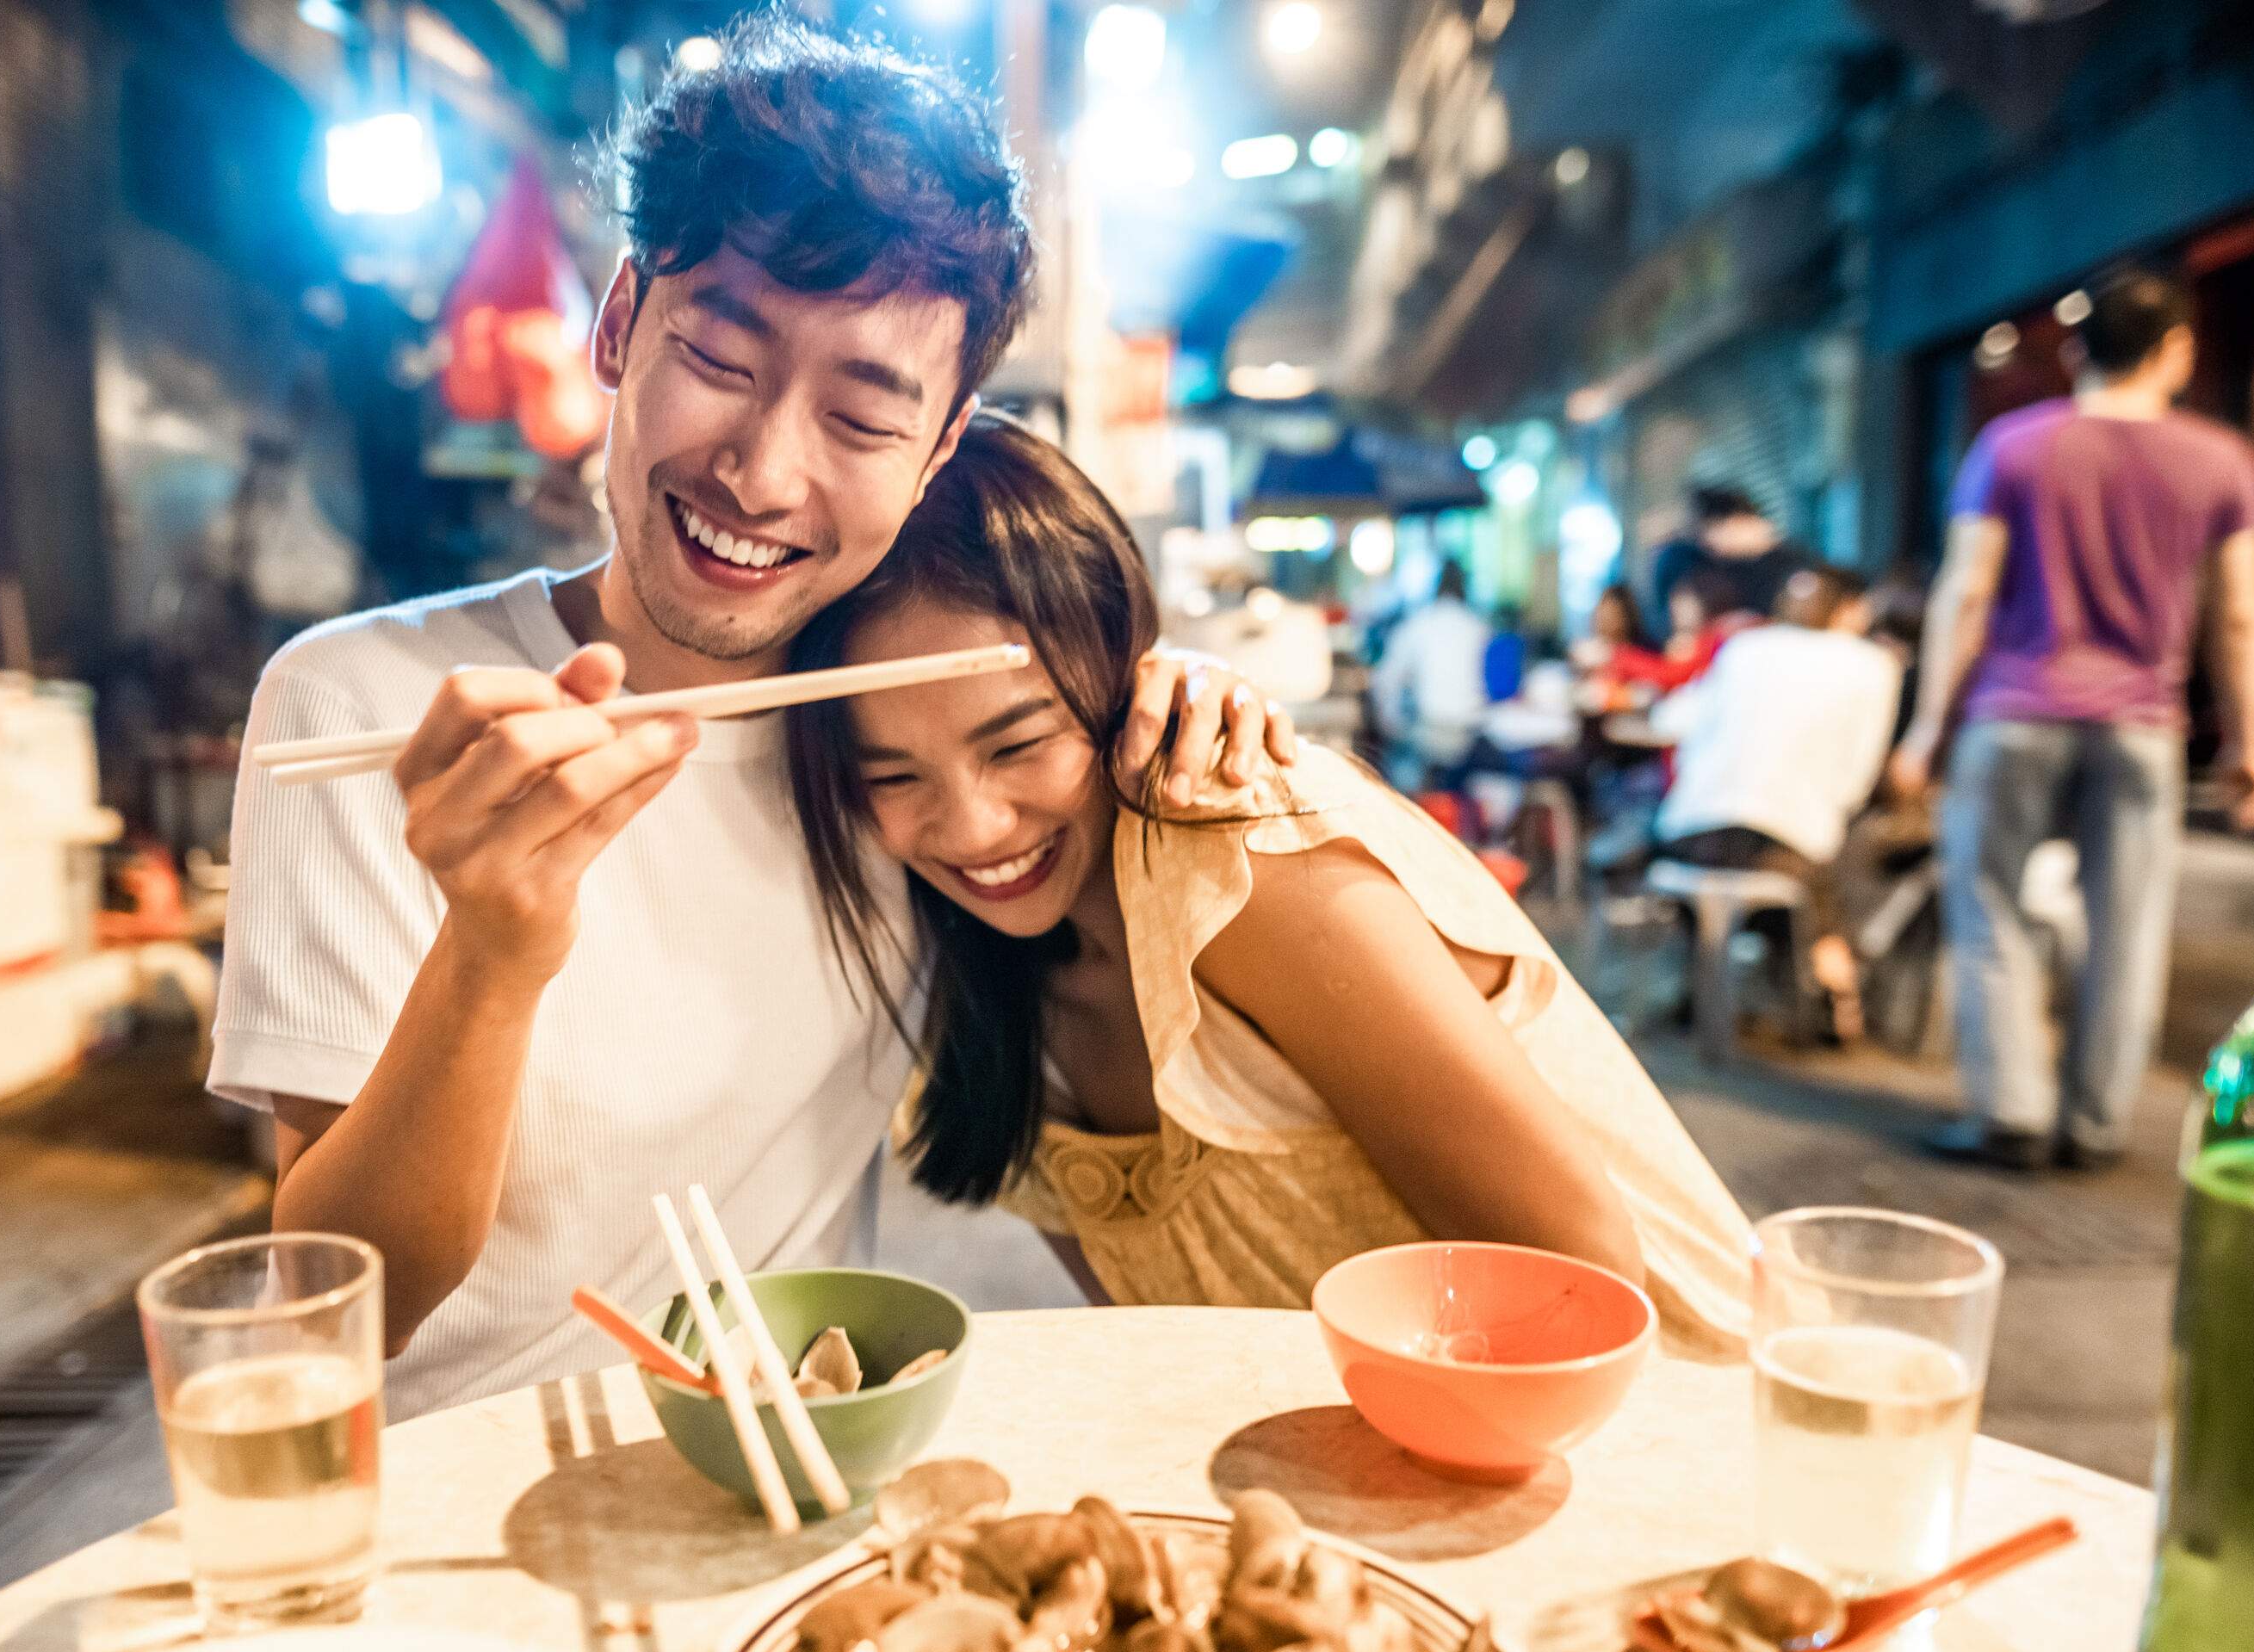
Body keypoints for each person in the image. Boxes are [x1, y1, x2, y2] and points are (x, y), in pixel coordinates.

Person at [210, 17, 1291, 1418]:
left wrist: (1178, 691)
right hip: (458, 1513)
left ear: (942, 446)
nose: (763, 474)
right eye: (720, 359)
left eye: (860, 417)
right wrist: (492, 952)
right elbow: (340, 1307)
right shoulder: (364, 707)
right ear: (618, 325)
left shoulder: (903, 739)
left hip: (792, 1478)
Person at [783, 416, 1754, 1346]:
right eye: (891, 777)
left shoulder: (1241, 859)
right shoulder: (959, 971)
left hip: (1668, 1439)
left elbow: (1578, 1282)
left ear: (1127, 676)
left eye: (1021, 744)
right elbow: (1176, 1337)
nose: (973, 828)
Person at [1889, 266, 2254, 1171]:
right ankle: (2096, 1123)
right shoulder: (2223, 462)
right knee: (2129, 925)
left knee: (1990, 910)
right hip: (2142, 725)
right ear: (2178, 348)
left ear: (2072, 348)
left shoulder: (2013, 446)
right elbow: (2244, 612)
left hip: (2013, 713)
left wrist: (1927, 726)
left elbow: (1966, 593)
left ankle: (2012, 1112)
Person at [1650, 566, 1903, 1039]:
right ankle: (1833, 1011)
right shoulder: (1872, 664)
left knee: (1732, 878)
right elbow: (1857, 779)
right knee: (1835, 878)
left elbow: (1674, 720)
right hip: (1787, 847)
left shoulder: (1744, 649)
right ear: (1850, 610)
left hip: (1687, 836)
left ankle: (1702, 994)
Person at [1368, 558, 1490, 783]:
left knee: (1396, 778)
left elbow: (1385, 680)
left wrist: (1390, 723)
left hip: (1427, 733)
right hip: (1472, 735)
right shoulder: (1479, 627)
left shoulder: (1418, 623)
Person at [1650, 485, 1811, 623]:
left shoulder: (1793, 566)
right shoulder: (1697, 562)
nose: (1707, 543)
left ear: (1739, 519)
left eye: (1710, 529)